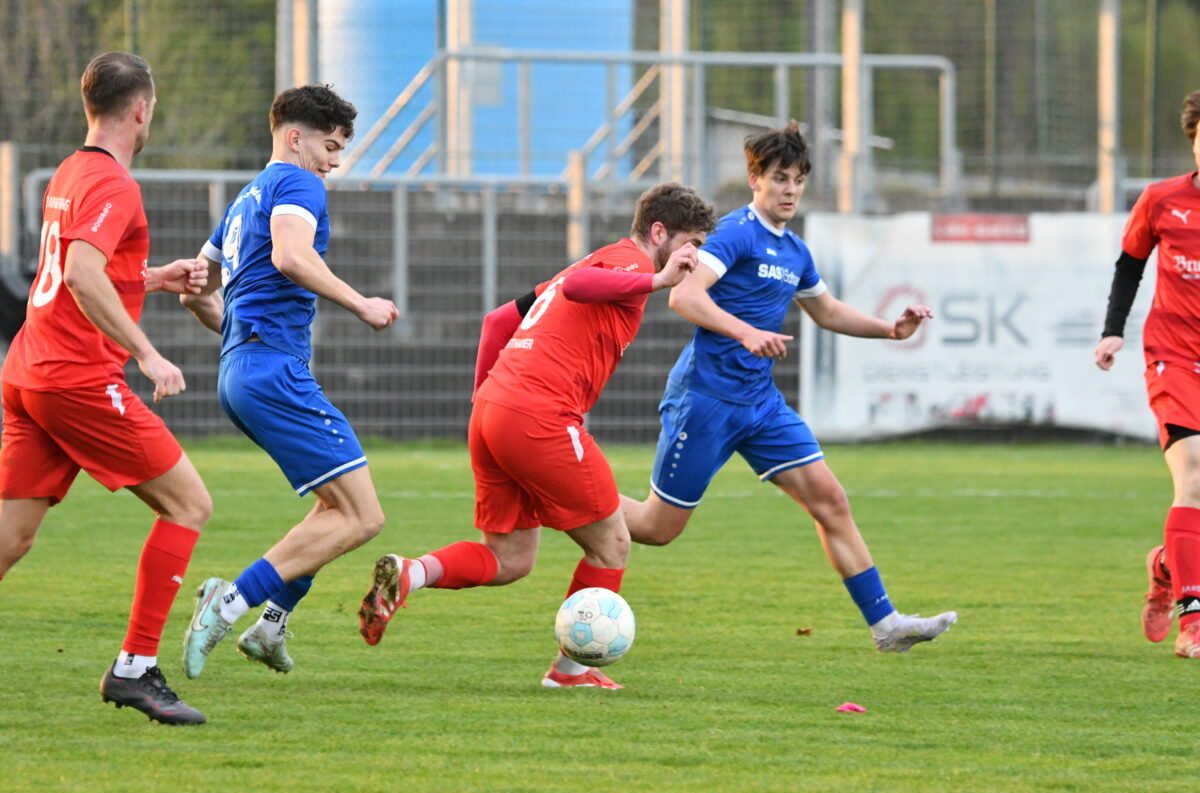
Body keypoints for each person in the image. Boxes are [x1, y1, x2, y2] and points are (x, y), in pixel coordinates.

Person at [358, 183, 716, 689]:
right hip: (539, 416)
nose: (695, 257)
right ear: (659, 232)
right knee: (612, 545)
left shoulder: (597, 262)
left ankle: (410, 572)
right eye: (692, 243)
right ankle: (570, 672)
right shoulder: (631, 264)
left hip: (495, 413)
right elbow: (578, 290)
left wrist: (485, 400)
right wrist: (658, 279)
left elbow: (498, 321)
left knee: (511, 558)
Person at [620, 122, 956, 653]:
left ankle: (886, 624)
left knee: (831, 500)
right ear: (756, 179)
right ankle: (559, 495)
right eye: (780, 178)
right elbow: (683, 297)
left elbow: (825, 310)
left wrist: (890, 328)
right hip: (706, 399)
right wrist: (746, 331)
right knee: (656, 527)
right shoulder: (735, 232)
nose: (791, 189)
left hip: (760, 405)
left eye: (798, 179)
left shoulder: (795, 250)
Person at [0, 52, 212, 724]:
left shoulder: (71, 169)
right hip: (76, 379)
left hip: (31, 370)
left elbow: (82, 274)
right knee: (188, 504)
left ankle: (135, 668)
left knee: (10, 537)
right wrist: (148, 353)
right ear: (142, 108)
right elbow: (83, 274)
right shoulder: (117, 185)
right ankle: (135, 669)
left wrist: (153, 278)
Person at [178, 84, 399, 678]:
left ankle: (270, 627)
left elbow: (196, 291)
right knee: (363, 517)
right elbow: (291, 258)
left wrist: (239, 340)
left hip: (241, 370)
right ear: (294, 138)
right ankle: (227, 602)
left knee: (334, 506)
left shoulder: (243, 198)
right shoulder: (300, 183)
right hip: (272, 368)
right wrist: (363, 304)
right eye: (329, 146)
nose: (334, 160)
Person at [1095, 89, 1200, 659]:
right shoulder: (1163, 200)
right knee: (1195, 477)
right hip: (1174, 358)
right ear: (1194, 139)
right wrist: (1114, 329)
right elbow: (1130, 265)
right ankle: (1195, 620)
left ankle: (1166, 566)